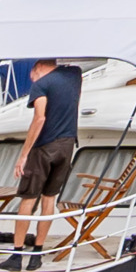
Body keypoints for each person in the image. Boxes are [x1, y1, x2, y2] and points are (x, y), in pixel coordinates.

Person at [17, 60, 85, 201]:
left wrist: (23, 156)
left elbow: (39, 119)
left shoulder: (41, 85)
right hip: (67, 143)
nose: (32, 81)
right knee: (49, 197)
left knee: (28, 198)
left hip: (45, 146)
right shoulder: (74, 74)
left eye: (32, 77)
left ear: (38, 68)